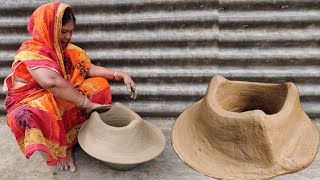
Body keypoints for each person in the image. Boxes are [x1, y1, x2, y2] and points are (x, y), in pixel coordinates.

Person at [3, 2, 137, 173]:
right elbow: (51, 83)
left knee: (100, 85)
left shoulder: (66, 50)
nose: (68, 37)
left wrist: (120, 74)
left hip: (57, 92)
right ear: (49, 29)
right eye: (63, 32)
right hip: (29, 102)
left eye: (71, 32)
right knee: (55, 103)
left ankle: (74, 136)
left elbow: (88, 68)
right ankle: (63, 147)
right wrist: (87, 104)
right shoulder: (32, 52)